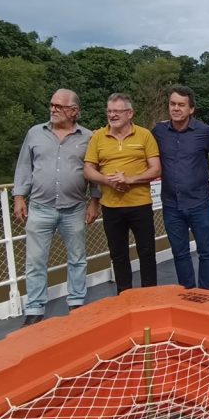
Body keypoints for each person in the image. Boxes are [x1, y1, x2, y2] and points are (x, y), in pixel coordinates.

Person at [13, 89, 100, 326]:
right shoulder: (35, 133)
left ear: (74, 111)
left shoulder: (88, 137)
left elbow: (94, 172)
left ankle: (76, 302)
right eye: (51, 104)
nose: (53, 109)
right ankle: (34, 308)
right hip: (40, 208)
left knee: (77, 258)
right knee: (36, 261)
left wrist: (95, 201)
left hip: (74, 208)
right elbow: (24, 166)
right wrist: (19, 196)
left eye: (59, 106)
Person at [84, 93, 161, 294]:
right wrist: (108, 180)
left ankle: (149, 294)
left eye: (117, 111)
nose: (112, 115)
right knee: (118, 255)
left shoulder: (144, 135)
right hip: (111, 206)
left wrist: (130, 180)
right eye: (109, 111)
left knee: (146, 252)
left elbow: (156, 169)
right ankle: (124, 295)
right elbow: (88, 170)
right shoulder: (98, 137)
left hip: (140, 204)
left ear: (130, 113)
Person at [152, 86, 209, 290]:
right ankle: (187, 293)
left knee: (206, 251)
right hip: (172, 205)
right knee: (179, 253)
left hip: (200, 203)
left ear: (191, 109)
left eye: (181, 105)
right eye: (172, 104)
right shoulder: (159, 132)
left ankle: (206, 295)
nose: (176, 108)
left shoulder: (204, 132)